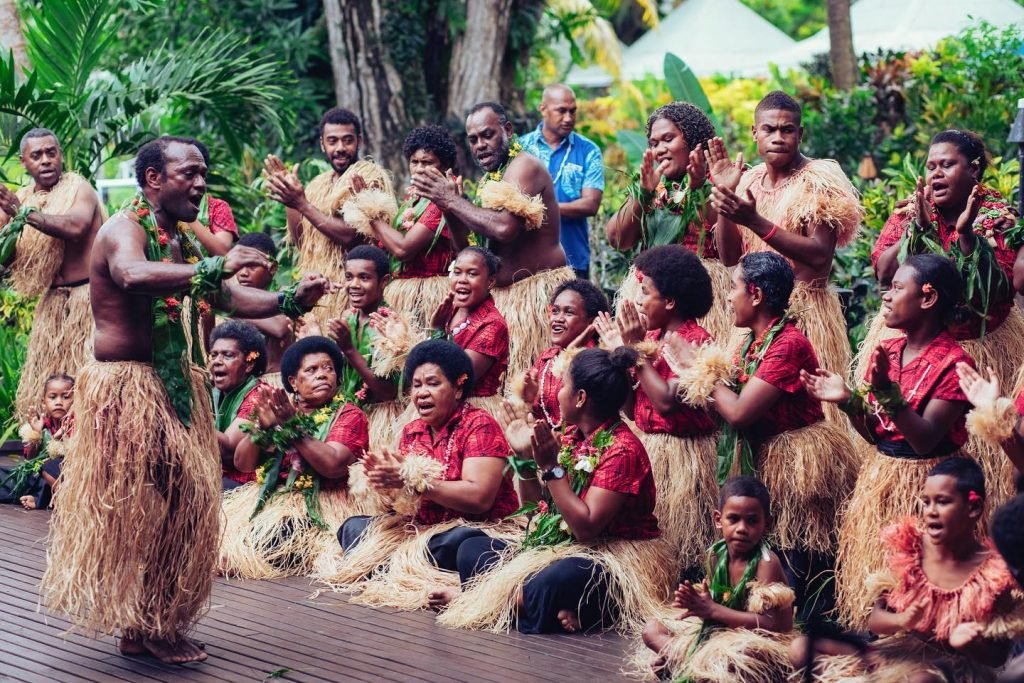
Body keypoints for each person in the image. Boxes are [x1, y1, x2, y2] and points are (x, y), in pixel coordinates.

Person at [41, 135, 329, 664]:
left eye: (203, 173)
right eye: (189, 173)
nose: (200, 183)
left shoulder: (180, 242)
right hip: (127, 388)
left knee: (184, 503)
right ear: (154, 178)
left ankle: (151, 620)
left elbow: (225, 295)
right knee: (156, 504)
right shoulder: (124, 229)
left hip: (173, 379)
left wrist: (287, 298)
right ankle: (146, 623)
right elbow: (132, 275)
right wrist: (214, 268)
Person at [666, 252, 857, 619]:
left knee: (796, 552)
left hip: (798, 464)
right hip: (769, 454)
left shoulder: (787, 344)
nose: (727, 297)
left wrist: (696, 368)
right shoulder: (752, 342)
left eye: (734, 288)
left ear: (755, 294)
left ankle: (798, 629)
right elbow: (726, 403)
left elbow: (738, 413)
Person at [433, 346, 673, 635]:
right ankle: (524, 603)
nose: (557, 393)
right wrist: (523, 458)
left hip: (608, 554)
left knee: (560, 576)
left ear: (580, 398)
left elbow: (586, 528)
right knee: (473, 549)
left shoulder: (622, 450)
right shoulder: (571, 437)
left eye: (564, 386)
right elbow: (537, 511)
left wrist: (551, 469)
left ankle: (487, 599)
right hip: (563, 546)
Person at [802, 254, 976, 626]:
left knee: (914, 579)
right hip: (881, 475)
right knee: (879, 579)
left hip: (926, 487)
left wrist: (887, 394)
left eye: (898, 288)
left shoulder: (954, 363)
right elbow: (875, 434)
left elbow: (925, 440)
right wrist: (848, 401)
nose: (886, 295)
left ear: (927, 299)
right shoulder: (889, 352)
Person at [861, 129, 1024, 501]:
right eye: (931, 166)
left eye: (947, 165)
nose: (936, 173)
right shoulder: (911, 211)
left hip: (979, 350)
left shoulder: (999, 217)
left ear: (974, 170)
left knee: (980, 463)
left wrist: (967, 237)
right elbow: (884, 274)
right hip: (914, 345)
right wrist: (914, 232)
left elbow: (999, 287)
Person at [315, 340, 521, 609]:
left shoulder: (480, 426)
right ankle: (403, 566)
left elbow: (478, 497)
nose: (422, 393)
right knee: (353, 528)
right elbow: (402, 502)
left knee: (461, 543)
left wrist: (415, 482)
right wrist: (382, 481)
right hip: (420, 531)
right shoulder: (413, 430)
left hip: (470, 528)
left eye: (433, 384)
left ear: (458, 388)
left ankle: (401, 567)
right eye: (417, 385)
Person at [790, 459, 1023, 682]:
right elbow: (875, 621)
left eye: (942, 502)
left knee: (920, 680)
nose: (931, 511)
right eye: (926, 501)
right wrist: (902, 621)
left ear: (973, 507)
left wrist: (965, 643)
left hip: (950, 667)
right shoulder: (911, 549)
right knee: (800, 648)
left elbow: (998, 657)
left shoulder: (993, 573)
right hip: (900, 653)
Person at [710, 91, 862, 424]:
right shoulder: (747, 181)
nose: (778, 137)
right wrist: (724, 198)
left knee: (810, 420)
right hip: (755, 317)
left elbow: (820, 255)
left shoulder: (818, 180)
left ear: (800, 133)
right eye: (769, 129)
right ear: (754, 133)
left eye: (787, 129)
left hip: (806, 316)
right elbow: (729, 256)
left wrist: (755, 221)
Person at [412, 101, 572, 383]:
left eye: (488, 135)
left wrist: (451, 200)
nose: (480, 145)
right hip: (503, 301)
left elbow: (504, 228)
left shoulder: (524, 167)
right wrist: (449, 206)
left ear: (507, 130)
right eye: (473, 139)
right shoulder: (491, 179)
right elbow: (470, 252)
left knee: (532, 387)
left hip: (534, 298)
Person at [594, 245, 719, 574]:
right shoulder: (649, 334)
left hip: (684, 457)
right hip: (648, 449)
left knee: (683, 551)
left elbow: (665, 402)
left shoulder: (696, 342)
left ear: (670, 301)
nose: (637, 301)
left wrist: (632, 350)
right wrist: (619, 360)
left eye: (645, 292)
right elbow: (634, 410)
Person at [221, 336, 379, 578]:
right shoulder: (278, 410)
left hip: (320, 505)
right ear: (294, 382)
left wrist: (292, 427)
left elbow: (334, 465)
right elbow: (243, 464)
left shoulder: (350, 415)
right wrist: (261, 429)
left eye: (329, 368)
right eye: (312, 370)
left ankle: (246, 554)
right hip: (274, 498)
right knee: (217, 519)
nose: (323, 374)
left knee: (277, 535)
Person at [639, 476, 794, 682]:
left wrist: (712, 609)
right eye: (733, 518)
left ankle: (684, 663)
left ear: (767, 523)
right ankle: (694, 663)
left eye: (752, 520)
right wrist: (698, 606)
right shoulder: (715, 555)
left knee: (744, 655)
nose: (741, 528)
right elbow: (717, 606)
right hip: (721, 634)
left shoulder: (766, 564)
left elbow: (772, 626)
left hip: (758, 641)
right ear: (718, 520)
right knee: (651, 629)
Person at [0, 128, 104, 420]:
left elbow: (75, 227)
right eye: (37, 155)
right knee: (44, 395)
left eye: (51, 153)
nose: (45, 160)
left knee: (86, 389)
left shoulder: (79, 189)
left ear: (60, 155)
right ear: (24, 162)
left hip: (87, 304)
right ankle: (44, 451)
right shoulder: (19, 198)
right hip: (51, 307)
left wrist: (23, 214)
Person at [605, 102, 732, 342]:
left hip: (701, 296)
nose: (660, 149)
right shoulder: (651, 184)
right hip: (649, 296)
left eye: (668, 139)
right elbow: (617, 239)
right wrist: (642, 194)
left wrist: (698, 190)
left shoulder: (721, 180)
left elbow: (725, 245)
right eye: (654, 144)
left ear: (692, 140)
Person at [264, 107, 395, 327]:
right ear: (323, 144)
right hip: (321, 293)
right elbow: (303, 243)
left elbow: (351, 236)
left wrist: (301, 203)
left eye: (347, 140)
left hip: (356, 291)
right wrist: (290, 202)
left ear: (359, 141)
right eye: (332, 141)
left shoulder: (368, 175)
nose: (340, 148)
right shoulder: (318, 184)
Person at [344, 125, 462, 329]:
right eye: (414, 162)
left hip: (429, 297)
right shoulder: (413, 197)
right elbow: (388, 244)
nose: (418, 169)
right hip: (403, 292)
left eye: (427, 162)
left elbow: (402, 249)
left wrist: (370, 214)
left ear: (444, 166)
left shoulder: (442, 200)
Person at [520, 84, 604, 280]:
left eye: (572, 111)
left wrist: (538, 210)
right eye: (561, 111)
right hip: (526, 260)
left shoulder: (588, 150)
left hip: (572, 259)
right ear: (543, 109)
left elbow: (591, 204)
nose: (568, 118)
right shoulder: (520, 148)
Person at [325, 245, 402, 450]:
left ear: (383, 281)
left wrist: (349, 349)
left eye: (364, 278)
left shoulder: (391, 325)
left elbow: (388, 391)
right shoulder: (348, 318)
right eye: (349, 277)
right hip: (347, 415)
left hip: (379, 419)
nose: (354, 285)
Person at [515, 278, 608, 427]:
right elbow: (541, 414)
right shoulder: (546, 357)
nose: (558, 319)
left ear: (591, 322)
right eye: (555, 311)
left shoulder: (596, 360)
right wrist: (529, 400)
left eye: (569, 312)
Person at [428, 247, 509, 416]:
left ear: (490, 281)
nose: (462, 280)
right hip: (440, 400)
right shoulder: (449, 310)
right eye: (457, 272)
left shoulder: (493, 325)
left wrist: (437, 331)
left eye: (472, 274)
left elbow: (460, 376)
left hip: (472, 411)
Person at [209, 320, 271, 490]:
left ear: (249, 364)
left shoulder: (259, 395)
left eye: (227, 355)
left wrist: (191, 415)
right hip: (216, 475)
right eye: (213, 355)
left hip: (246, 482)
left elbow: (228, 451)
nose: (217, 361)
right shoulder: (214, 392)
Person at [227, 231, 293, 387]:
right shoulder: (231, 298)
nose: (243, 273)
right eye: (239, 266)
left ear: (272, 268)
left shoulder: (286, 294)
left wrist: (230, 309)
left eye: (251, 266)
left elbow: (279, 328)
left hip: (274, 385)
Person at [0, 374, 74, 510]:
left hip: (62, 476)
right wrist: (37, 434)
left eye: (66, 397)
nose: (59, 402)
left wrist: (61, 438)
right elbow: (30, 459)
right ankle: (38, 497)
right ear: (43, 402)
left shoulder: (76, 424)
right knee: (6, 476)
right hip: (37, 476)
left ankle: (46, 500)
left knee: (49, 468)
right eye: (52, 397)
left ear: (75, 401)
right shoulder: (43, 424)